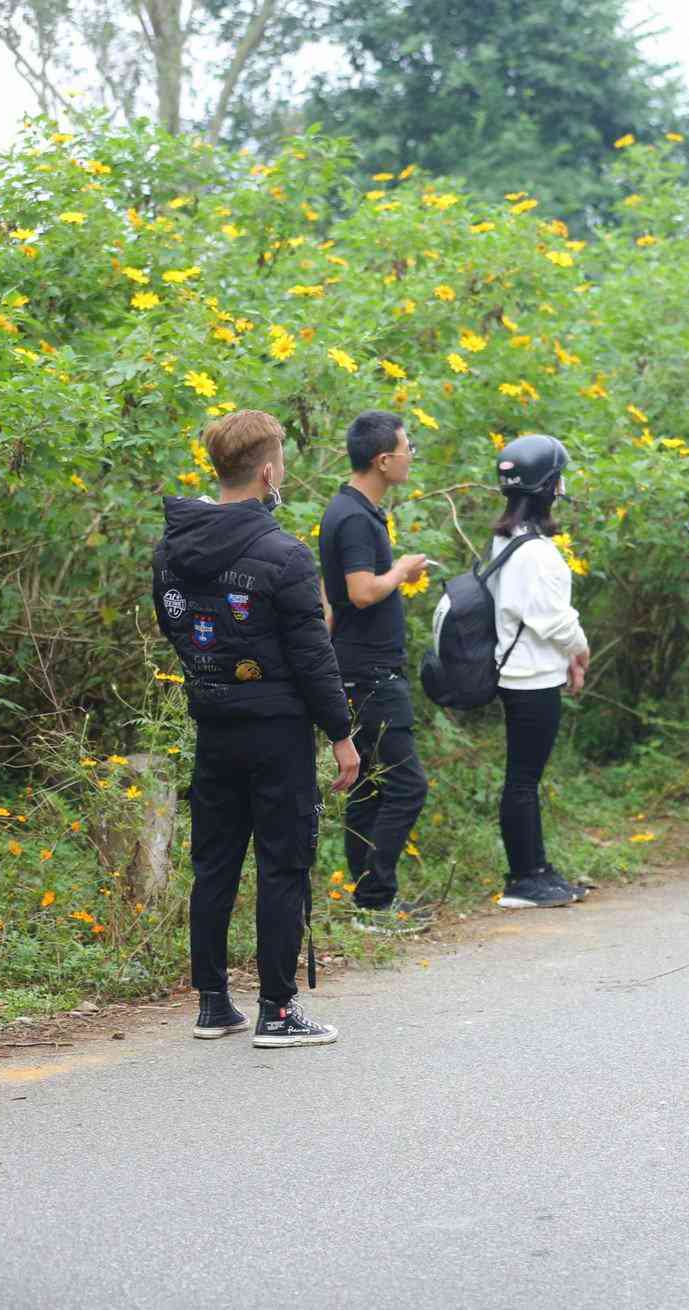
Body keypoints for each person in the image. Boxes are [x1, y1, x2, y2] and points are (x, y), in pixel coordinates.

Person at [151, 409, 357, 1050]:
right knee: (281, 863)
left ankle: (214, 1003)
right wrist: (341, 733)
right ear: (268, 470)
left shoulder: (172, 547)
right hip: (278, 731)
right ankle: (277, 1011)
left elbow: (174, 627)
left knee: (213, 862)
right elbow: (312, 656)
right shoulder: (283, 554)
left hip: (214, 722)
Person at [319, 411, 431, 934]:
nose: (411, 456)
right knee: (406, 786)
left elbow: (335, 598)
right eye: (408, 448)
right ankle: (376, 897)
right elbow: (362, 591)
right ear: (383, 459)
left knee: (368, 787)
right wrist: (402, 571)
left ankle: (368, 904)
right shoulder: (355, 518)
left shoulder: (351, 510)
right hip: (370, 674)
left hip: (357, 668)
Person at [485, 434, 592, 909]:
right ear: (549, 486)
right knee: (524, 779)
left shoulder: (507, 539)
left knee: (523, 777)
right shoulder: (538, 552)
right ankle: (525, 877)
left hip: (519, 672)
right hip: (532, 679)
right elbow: (552, 618)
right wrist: (580, 648)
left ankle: (536, 869)